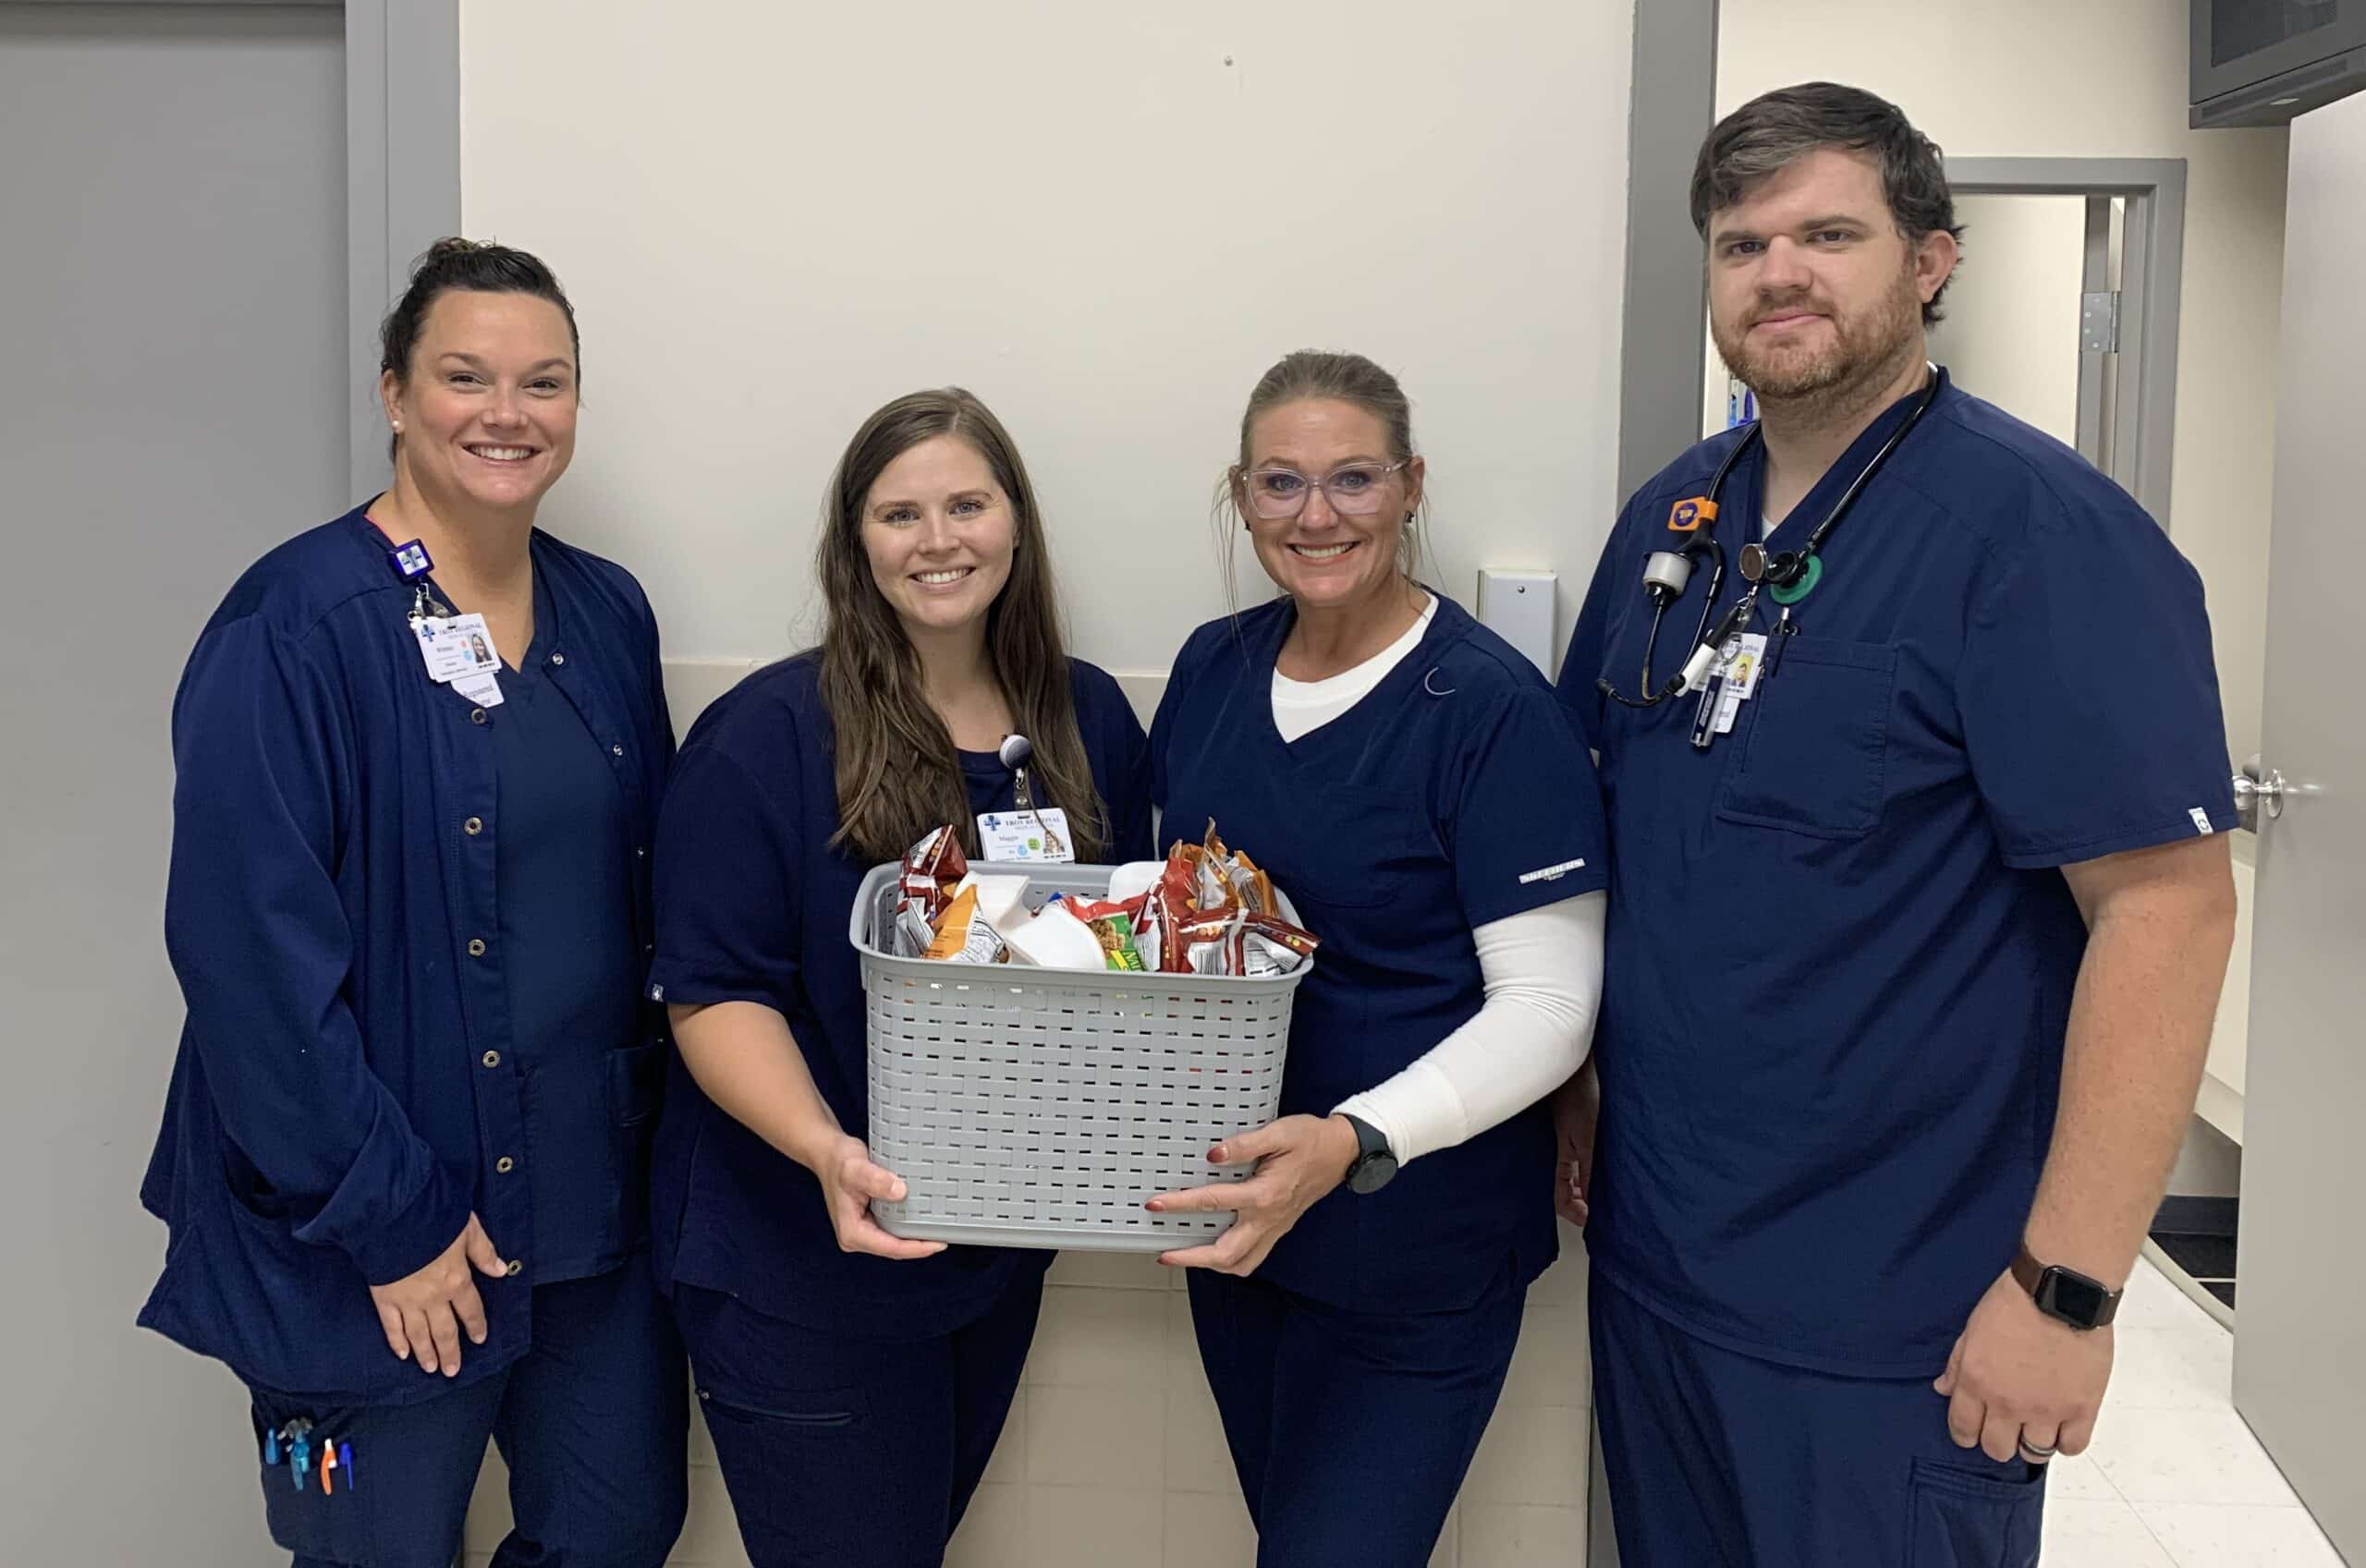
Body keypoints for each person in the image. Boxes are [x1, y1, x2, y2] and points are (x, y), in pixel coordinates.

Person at [1555, 83, 2238, 1565]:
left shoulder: (2043, 538)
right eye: (1743, 243)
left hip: (1904, 1314)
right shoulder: (1677, 521)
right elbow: (1627, 840)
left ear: (1929, 260)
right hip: (1667, 1265)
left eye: (1829, 232)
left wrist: (2066, 1291)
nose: (1778, 271)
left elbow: (2168, 911)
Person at [139, 238, 687, 1568]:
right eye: (465, 375)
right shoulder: (293, 627)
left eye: (544, 381)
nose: (508, 411)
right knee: (369, 1548)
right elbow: (247, 967)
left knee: (620, 1525)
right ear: (395, 392)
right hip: (374, 1225)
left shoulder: (606, 615)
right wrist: (392, 1219)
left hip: (584, 1219)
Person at [646, 387, 1154, 1568]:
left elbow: (1125, 959)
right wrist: (831, 1150)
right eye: (900, 513)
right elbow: (712, 993)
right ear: (853, 542)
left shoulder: (1083, 721)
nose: (939, 540)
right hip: (798, 1260)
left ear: (1015, 523)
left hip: (986, 1253)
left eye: (967, 504)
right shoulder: (766, 737)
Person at [1147, 350, 1607, 1566]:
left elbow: (1554, 1005)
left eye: (1353, 479)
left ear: (1411, 487)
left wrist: (1353, 1138)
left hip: (1418, 1245)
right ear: (1241, 496)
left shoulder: (1492, 711)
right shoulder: (1209, 672)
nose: (1317, 515)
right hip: (1243, 1231)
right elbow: (1174, 925)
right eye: (1282, 482)